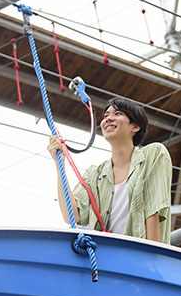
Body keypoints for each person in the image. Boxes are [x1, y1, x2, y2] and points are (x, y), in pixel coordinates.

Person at [48, 97, 172, 244]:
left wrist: (153, 253)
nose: (108, 119)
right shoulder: (94, 174)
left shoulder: (153, 153)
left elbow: (153, 209)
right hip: (104, 254)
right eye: (106, 115)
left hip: (139, 253)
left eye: (117, 113)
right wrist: (59, 164)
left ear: (135, 126)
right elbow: (72, 216)